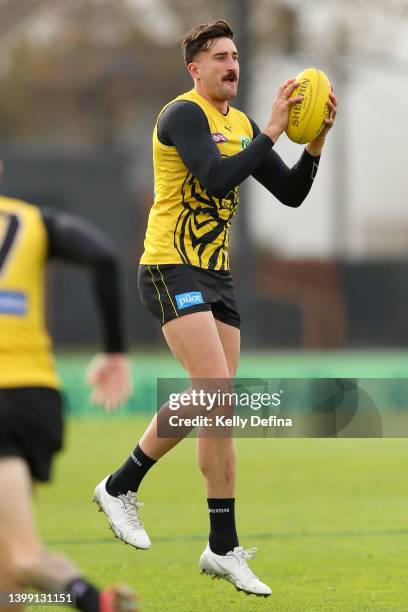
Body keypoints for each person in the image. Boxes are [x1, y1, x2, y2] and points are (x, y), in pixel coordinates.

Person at [94, 19, 337, 597]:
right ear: (194, 69)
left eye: (234, 57)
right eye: (219, 57)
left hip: (217, 278)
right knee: (215, 391)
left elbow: (292, 192)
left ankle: (222, 546)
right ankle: (121, 484)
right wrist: (274, 131)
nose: (231, 65)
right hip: (168, 266)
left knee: (219, 407)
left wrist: (315, 144)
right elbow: (217, 175)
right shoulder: (182, 115)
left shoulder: (243, 123)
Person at [0, 165, 137, 612]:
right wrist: (115, 350)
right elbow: (103, 255)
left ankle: (97, 601)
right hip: (37, 398)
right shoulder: (34, 221)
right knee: (7, 578)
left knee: (23, 555)